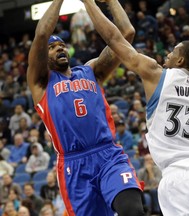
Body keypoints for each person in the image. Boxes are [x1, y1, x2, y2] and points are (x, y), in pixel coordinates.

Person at [81, 0, 189, 215]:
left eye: (172, 52)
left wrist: (90, 2)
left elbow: (116, 38)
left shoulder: (156, 74)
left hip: (179, 179)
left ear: (180, 60)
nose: (167, 55)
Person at [26, 0, 144, 215]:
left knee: (132, 210)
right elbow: (42, 34)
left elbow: (126, 34)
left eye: (61, 44)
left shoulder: (92, 71)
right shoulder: (40, 82)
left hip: (108, 155)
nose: (58, 48)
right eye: (51, 48)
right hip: (74, 165)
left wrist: (100, 2)